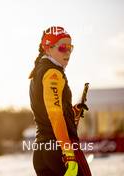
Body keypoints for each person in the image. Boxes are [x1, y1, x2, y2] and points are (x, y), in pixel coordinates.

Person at [28, 26, 92, 176]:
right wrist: (69, 153)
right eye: (63, 47)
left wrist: (71, 112)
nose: (68, 52)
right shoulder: (53, 73)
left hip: (43, 151)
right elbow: (55, 115)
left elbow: (48, 110)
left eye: (70, 47)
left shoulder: (38, 72)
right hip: (59, 151)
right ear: (48, 49)